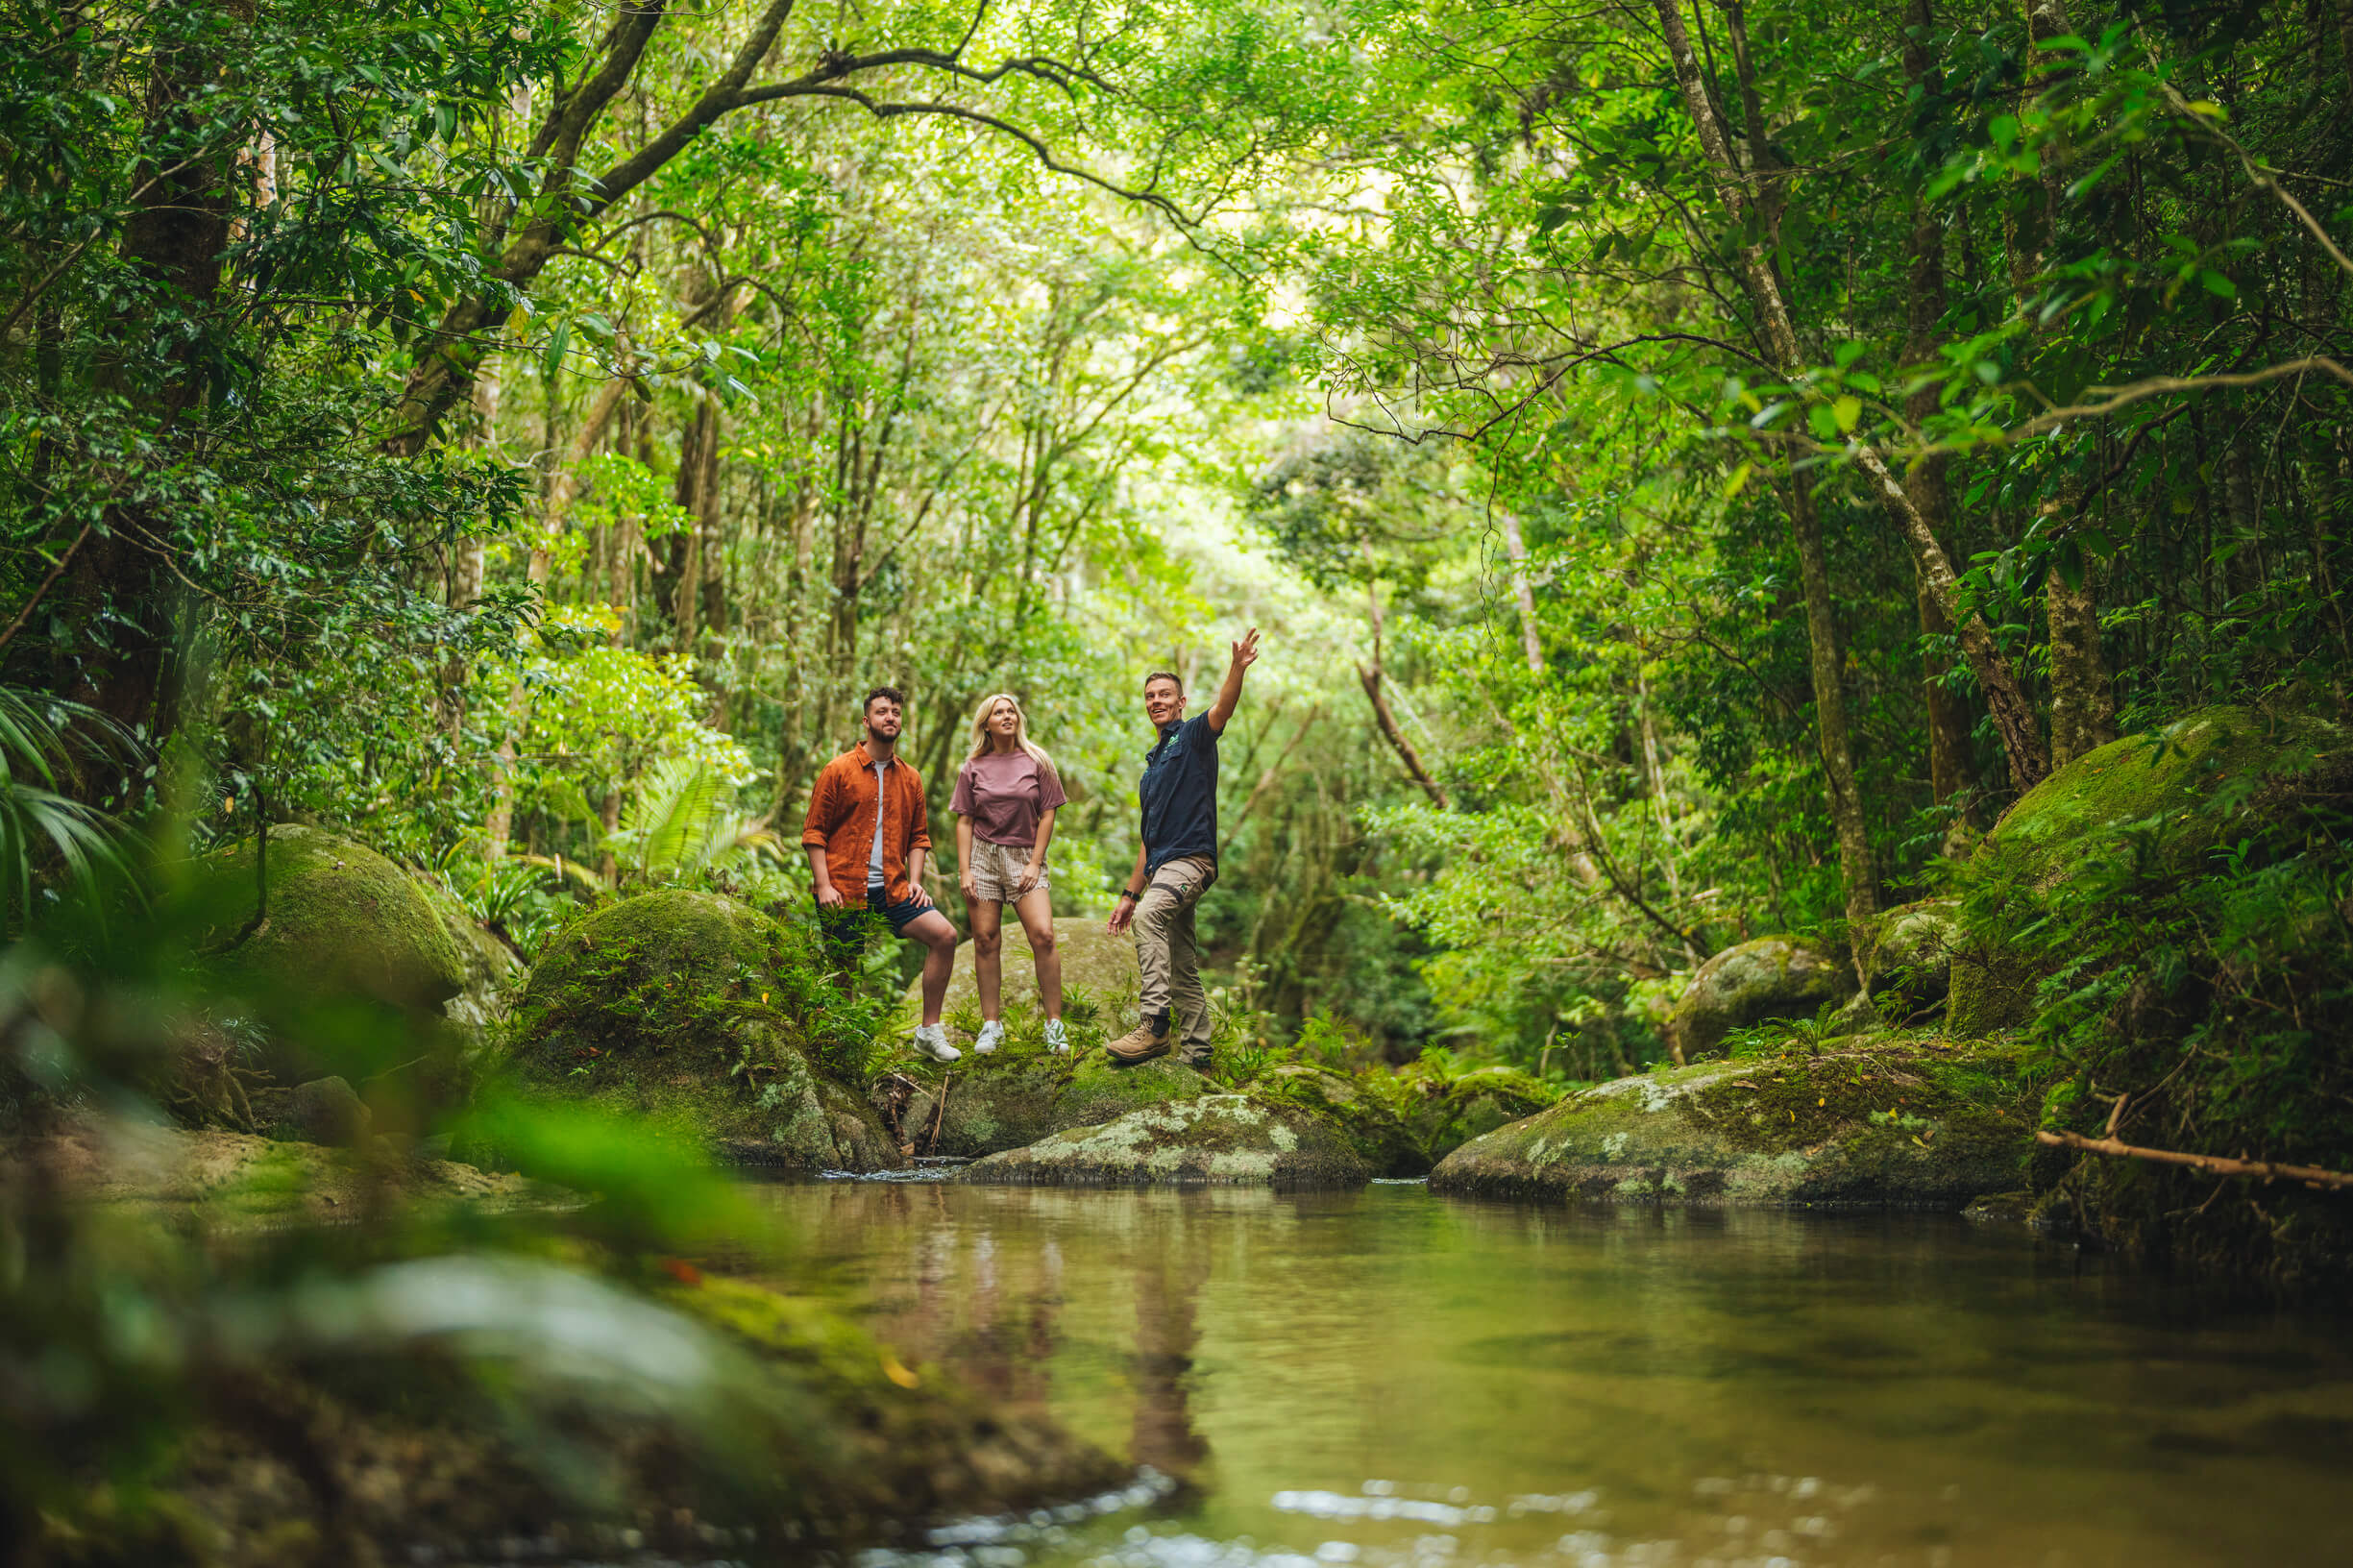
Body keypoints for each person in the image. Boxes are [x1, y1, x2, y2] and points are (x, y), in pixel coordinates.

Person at [1105, 628, 1262, 1067]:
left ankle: (1154, 1025)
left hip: (1191, 860)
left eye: (1165, 695)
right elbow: (1146, 838)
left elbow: (1223, 708)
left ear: (1180, 703)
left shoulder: (1192, 737)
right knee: (1181, 964)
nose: (1156, 701)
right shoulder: (1151, 769)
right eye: (1150, 695)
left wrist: (1236, 668)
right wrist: (1129, 893)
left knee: (1150, 918)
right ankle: (1198, 1055)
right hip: (1161, 867)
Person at [801, 684, 963, 1062]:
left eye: (895, 712)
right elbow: (814, 833)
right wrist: (823, 885)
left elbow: (919, 838)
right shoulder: (837, 770)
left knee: (945, 936)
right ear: (866, 720)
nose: (890, 717)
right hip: (842, 888)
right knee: (844, 972)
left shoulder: (911, 778)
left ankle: (929, 1031)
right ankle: (843, 1050)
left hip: (892, 888)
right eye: (882, 711)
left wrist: (916, 882)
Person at [951, 693, 1071, 1055]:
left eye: (1010, 711)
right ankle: (992, 1025)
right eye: (998, 712)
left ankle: (1054, 1024)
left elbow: (1049, 812)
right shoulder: (972, 766)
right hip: (983, 857)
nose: (1006, 716)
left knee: (1044, 935)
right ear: (985, 724)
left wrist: (1036, 862)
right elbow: (964, 820)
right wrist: (965, 870)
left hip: (1024, 854)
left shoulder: (1037, 760)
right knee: (986, 939)